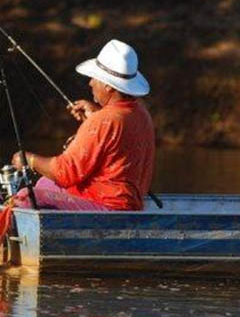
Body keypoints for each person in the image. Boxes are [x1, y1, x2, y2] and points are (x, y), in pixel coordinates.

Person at [10, 39, 155, 211]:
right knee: (45, 183)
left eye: (95, 78)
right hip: (130, 204)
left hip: (107, 207)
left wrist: (29, 160)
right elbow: (117, 137)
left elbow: (65, 173)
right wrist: (96, 114)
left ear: (108, 86)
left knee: (26, 196)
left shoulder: (103, 121)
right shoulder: (140, 111)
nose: (90, 83)